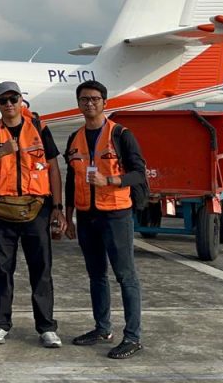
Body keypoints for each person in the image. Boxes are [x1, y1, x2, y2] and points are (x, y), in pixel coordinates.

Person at [0, 81, 66, 348]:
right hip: (1, 210)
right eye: (4, 100)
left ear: (22, 100)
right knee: (2, 270)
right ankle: (1, 324)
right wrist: (0, 153)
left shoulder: (38, 128)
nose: (10, 104)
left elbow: (53, 169)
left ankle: (46, 326)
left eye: (14, 99)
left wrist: (57, 207)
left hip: (37, 209)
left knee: (41, 269)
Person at [64, 80, 145, 359]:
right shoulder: (74, 138)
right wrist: (67, 215)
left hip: (116, 214)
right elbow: (71, 179)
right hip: (87, 216)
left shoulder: (121, 134)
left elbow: (139, 173)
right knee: (96, 275)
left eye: (95, 99)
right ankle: (102, 328)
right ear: (79, 103)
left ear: (105, 103)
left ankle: (132, 337)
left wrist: (109, 179)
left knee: (125, 276)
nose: (90, 104)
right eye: (85, 99)